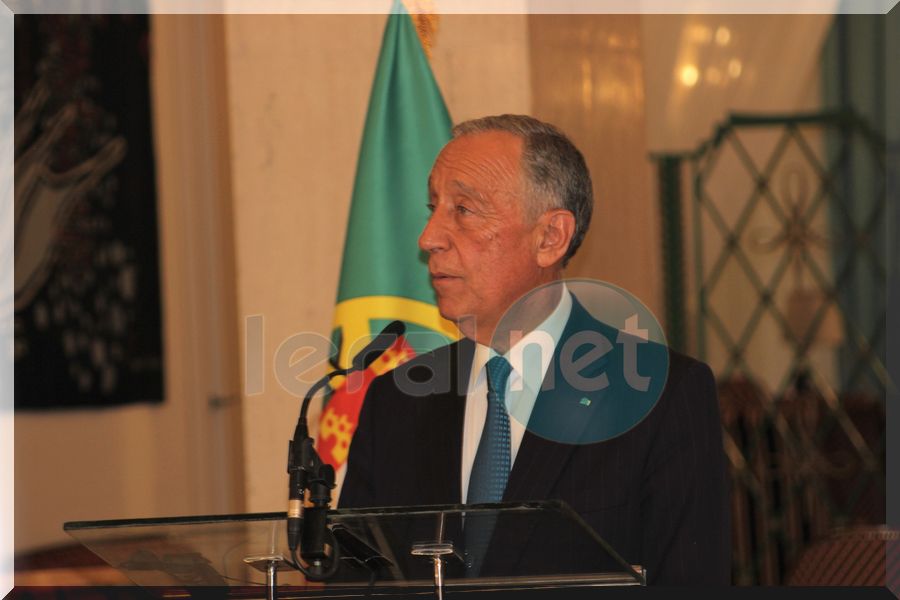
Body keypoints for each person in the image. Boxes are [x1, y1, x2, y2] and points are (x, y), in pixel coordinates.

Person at [339, 114, 730, 585]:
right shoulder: (397, 401)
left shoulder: (658, 394)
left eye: (463, 210)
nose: (429, 238)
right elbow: (356, 581)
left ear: (550, 238)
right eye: (433, 208)